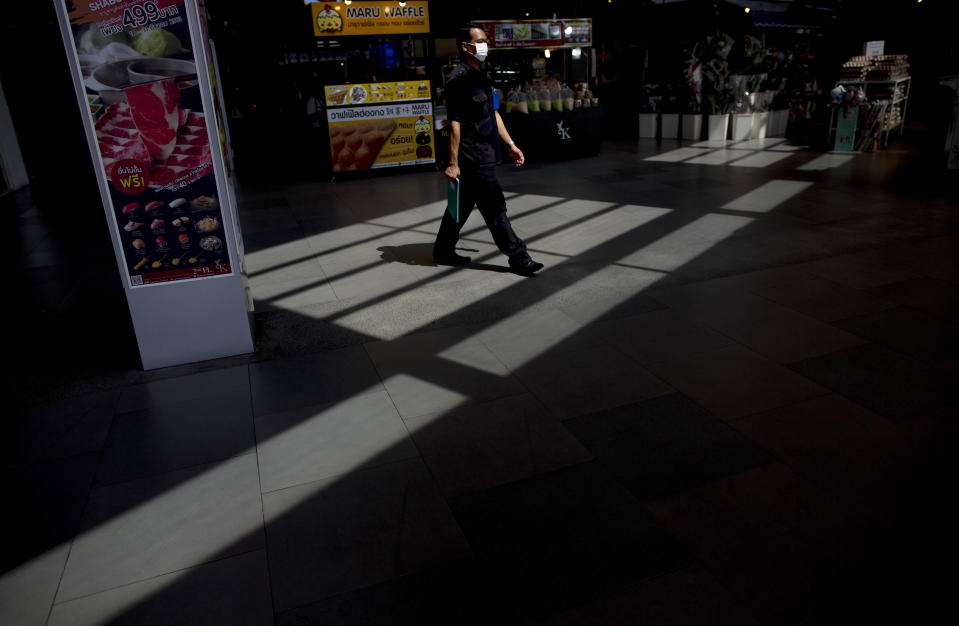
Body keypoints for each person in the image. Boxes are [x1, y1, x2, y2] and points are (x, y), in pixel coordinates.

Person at [433, 23, 544, 276]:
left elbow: (493, 114)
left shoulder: (483, 74)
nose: (485, 46)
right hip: (473, 156)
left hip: (487, 150)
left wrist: (511, 144)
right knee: (495, 208)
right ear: (465, 46)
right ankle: (519, 257)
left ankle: (443, 250)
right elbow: (455, 124)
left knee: (460, 207)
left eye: (485, 41)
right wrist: (453, 162)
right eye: (480, 40)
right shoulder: (458, 80)